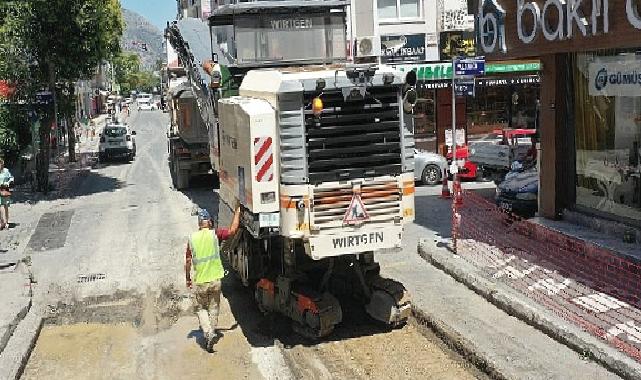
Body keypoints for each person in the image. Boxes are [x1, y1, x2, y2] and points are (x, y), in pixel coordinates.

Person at [185, 206, 241, 352]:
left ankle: (207, 332)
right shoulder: (215, 234)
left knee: (200, 308)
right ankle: (212, 332)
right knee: (214, 308)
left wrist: (188, 279)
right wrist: (238, 212)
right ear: (209, 222)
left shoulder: (192, 238)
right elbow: (233, 230)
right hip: (215, 280)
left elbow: (188, 262)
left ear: (199, 223)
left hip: (201, 282)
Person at [0, 159, 14, 229]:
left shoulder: (6, 171)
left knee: (5, 206)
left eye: (0, 163)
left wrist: (7, 182)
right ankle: (1, 222)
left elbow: (11, 178)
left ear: (2, 164)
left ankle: (6, 222)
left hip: (4, 190)